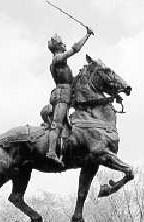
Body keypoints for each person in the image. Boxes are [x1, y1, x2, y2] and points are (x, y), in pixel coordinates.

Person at [46, 28, 93, 166]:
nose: (65, 45)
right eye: (62, 44)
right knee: (57, 123)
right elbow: (75, 49)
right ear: (58, 47)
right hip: (61, 95)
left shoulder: (61, 62)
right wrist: (87, 36)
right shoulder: (57, 58)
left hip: (67, 94)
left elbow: (70, 80)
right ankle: (51, 152)